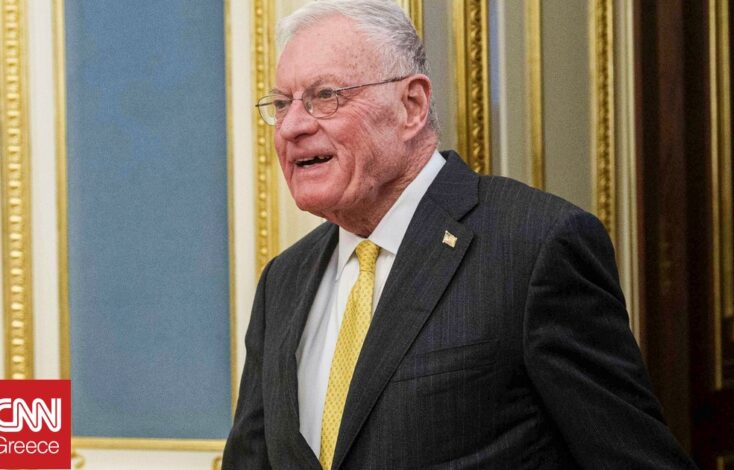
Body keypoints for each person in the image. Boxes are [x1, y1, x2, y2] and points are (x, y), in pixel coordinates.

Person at [222, 1, 697, 468]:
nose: (293, 126)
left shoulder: (535, 246)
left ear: (411, 105)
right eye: (281, 104)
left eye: (325, 96)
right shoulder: (283, 280)